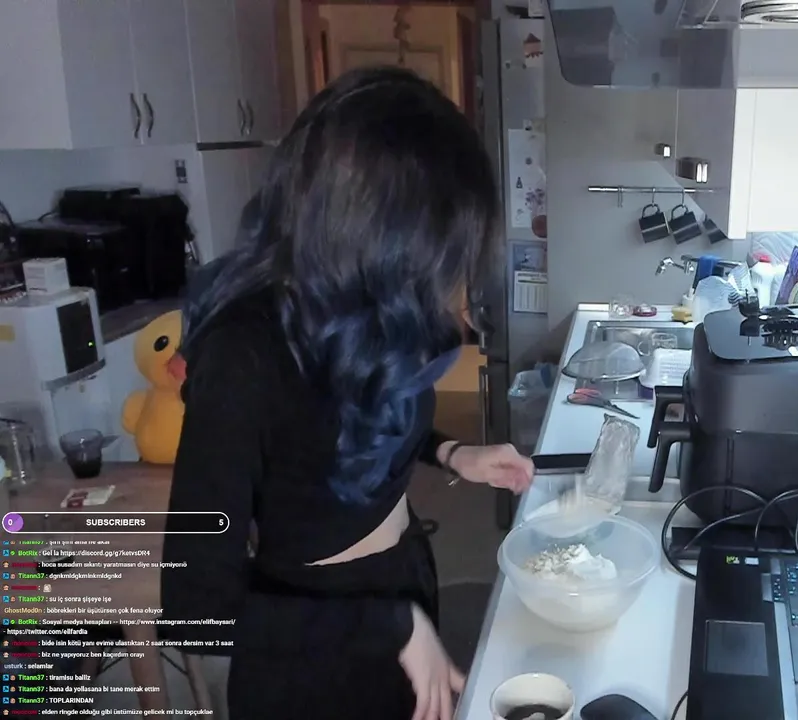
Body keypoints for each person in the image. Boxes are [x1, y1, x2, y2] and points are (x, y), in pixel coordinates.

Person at [160, 66, 534, 720]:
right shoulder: (243, 353)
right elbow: (195, 611)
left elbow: (356, 423)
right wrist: (387, 626)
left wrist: (451, 453)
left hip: (400, 588)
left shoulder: (373, 306)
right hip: (315, 653)